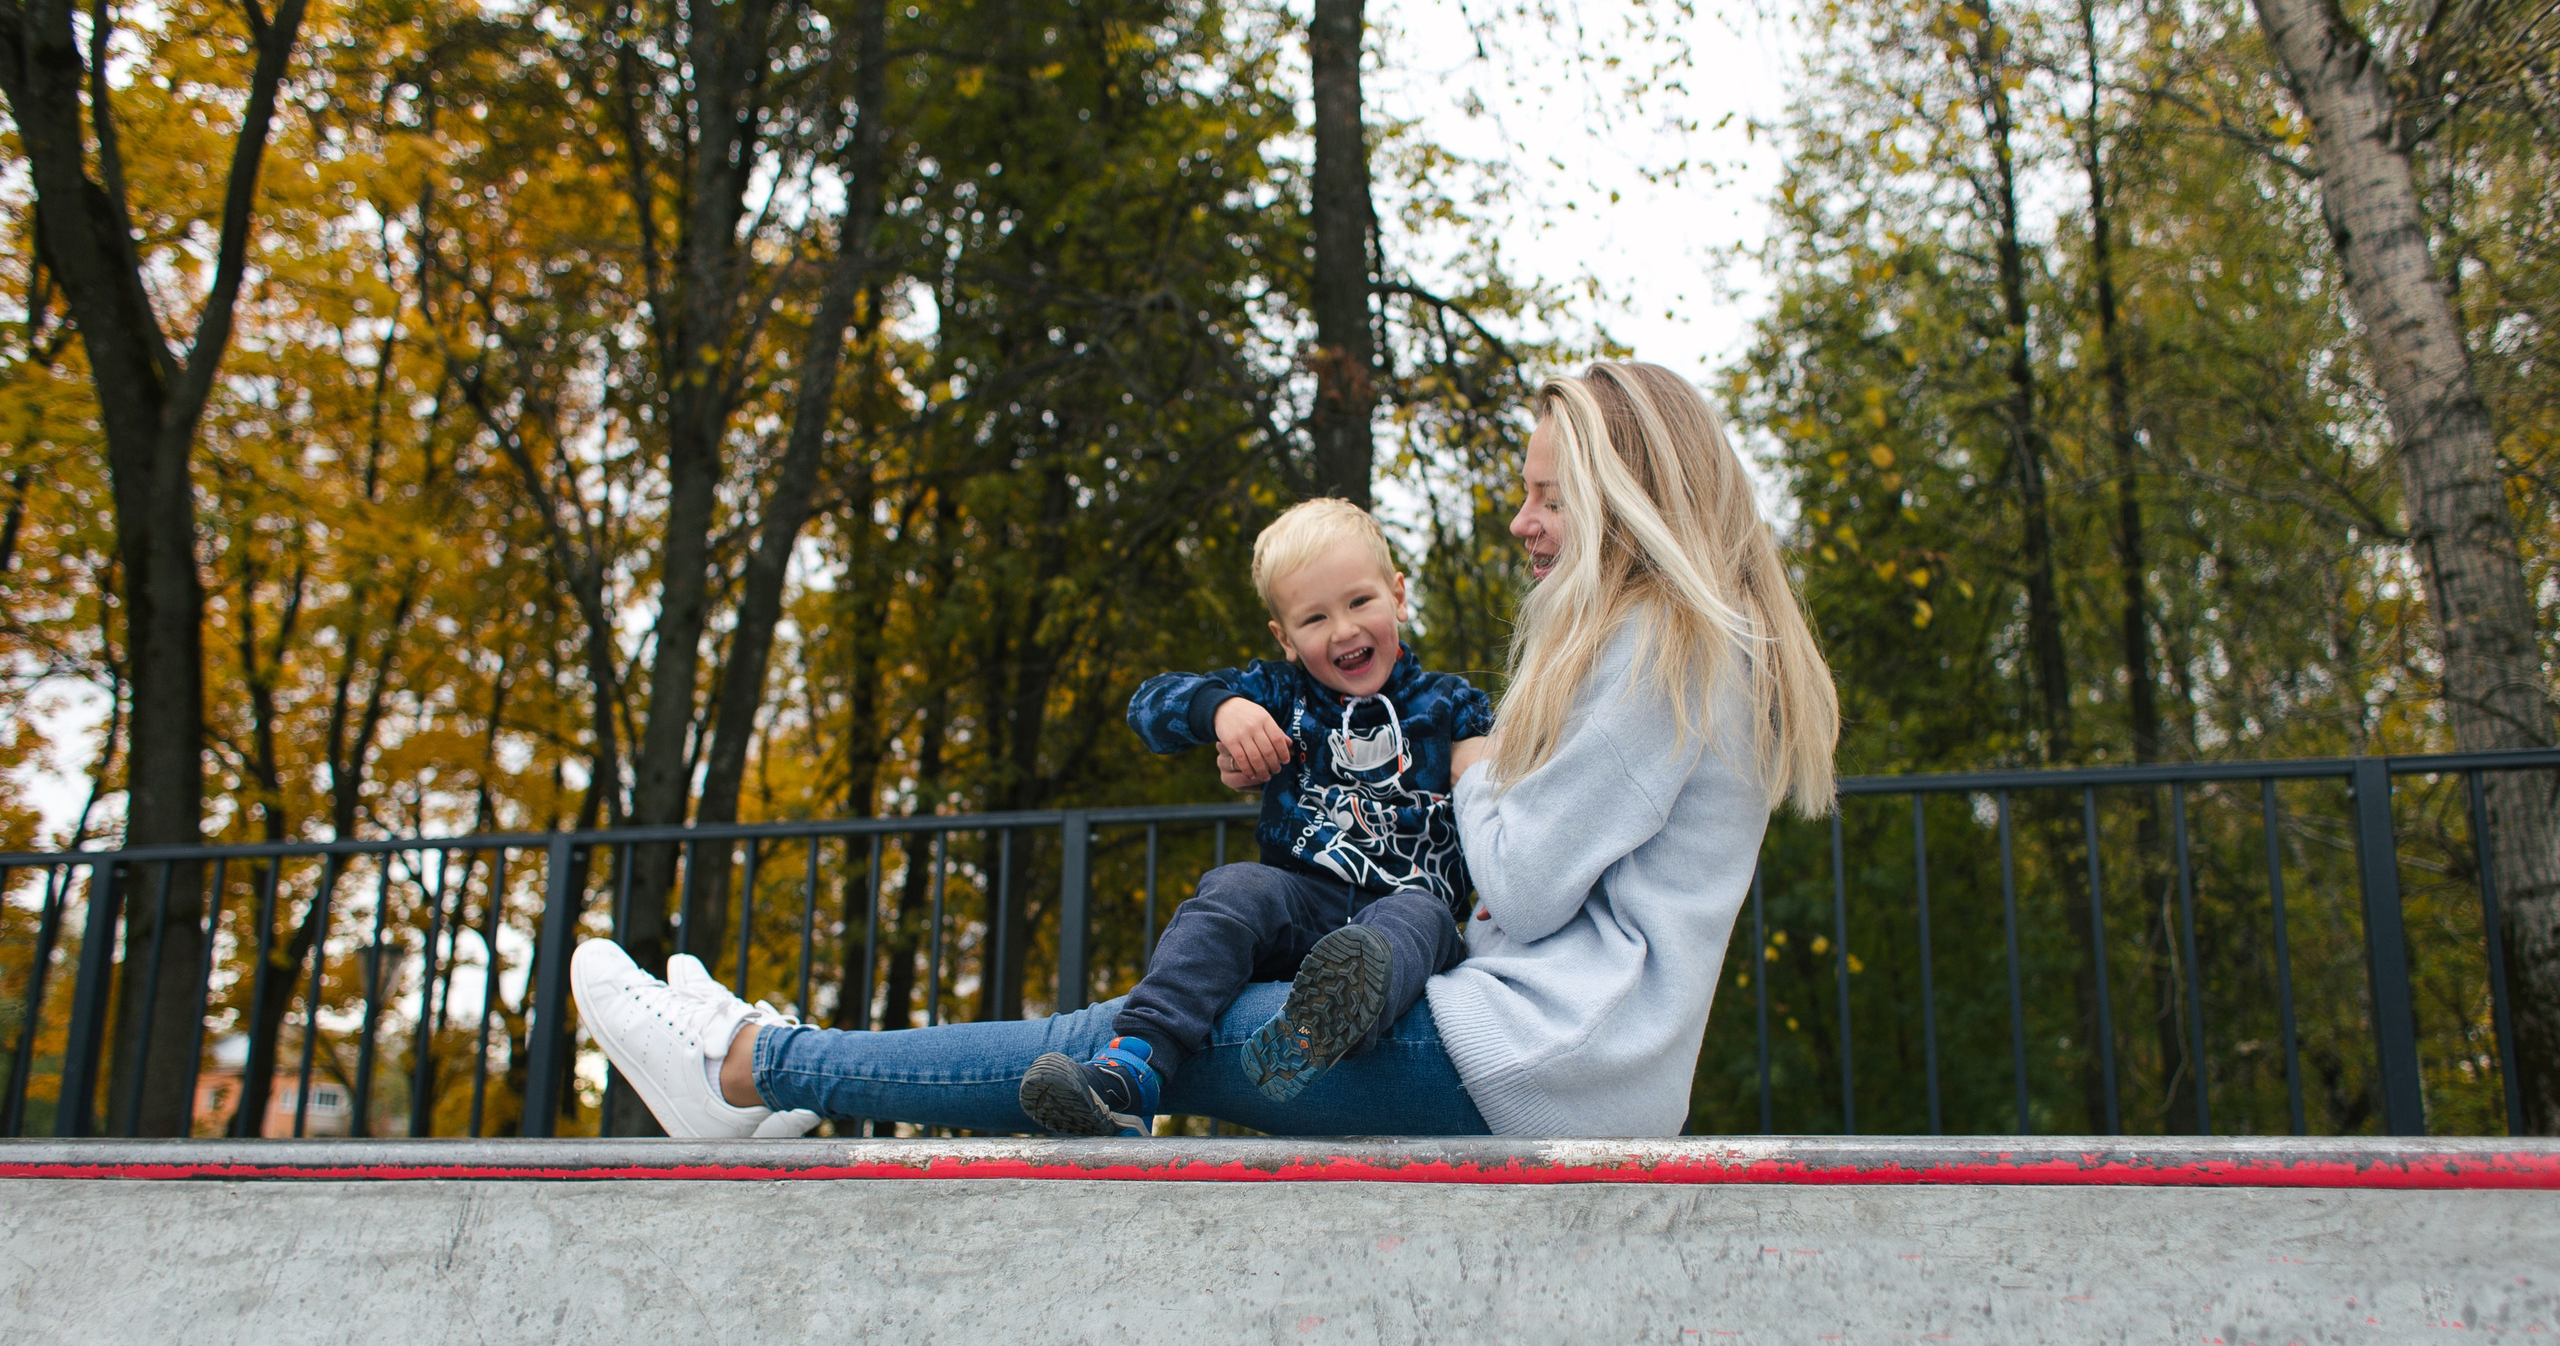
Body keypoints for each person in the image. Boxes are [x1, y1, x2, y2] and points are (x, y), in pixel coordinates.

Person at [573, 360, 1837, 1140]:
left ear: (1625, 491)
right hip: (1550, 1054)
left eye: (1549, 494)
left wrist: (1479, 767)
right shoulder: (1688, 649)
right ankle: (779, 1067)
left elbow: (1531, 875)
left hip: (1524, 1057)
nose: (1522, 520)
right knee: (1169, 1025)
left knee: (1145, 1032)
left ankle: (751, 1065)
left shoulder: (1669, 648)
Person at [1018, 497, 1494, 1137]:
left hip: (1406, 909)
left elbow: (1505, 797)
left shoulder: (1451, 704)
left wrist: (1485, 784)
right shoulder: (1279, 695)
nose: (1344, 630)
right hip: (1302, 901)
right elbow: (1149, 704)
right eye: (1315, 618)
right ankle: (1131, 1070)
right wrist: (1221, 710)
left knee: (1419, 918)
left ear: (1399, 596)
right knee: (1237, 886)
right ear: (1285, 639)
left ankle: (1327, 1023)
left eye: (1360, 602)